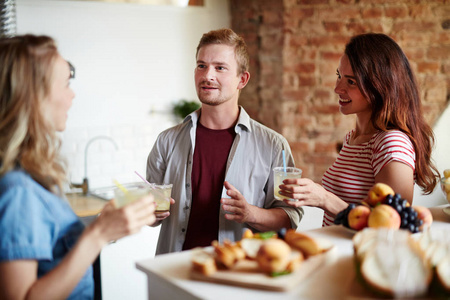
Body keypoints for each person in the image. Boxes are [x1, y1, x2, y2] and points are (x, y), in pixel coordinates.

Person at [0, 35, 156, 300]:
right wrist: (98, 234)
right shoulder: (18, 190)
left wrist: (104, 226)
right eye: (65, 84)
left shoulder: (30, 174)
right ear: (34, 96)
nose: (72, 94)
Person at [146, 28, 303, 255]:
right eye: (202, 65)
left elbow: (290, 218)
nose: (208, 75)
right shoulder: (167, 141)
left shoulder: (274, 146)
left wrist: (251, 214)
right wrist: (150, 213)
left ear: (242, 79)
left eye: (220, 67)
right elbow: (151, 215)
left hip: (239, 276)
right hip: (175, 274)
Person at [278, 33, 439, 226]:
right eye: (339, 76)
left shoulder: (391, 143)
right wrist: (312, 191)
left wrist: (324, 198)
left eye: (351, 82)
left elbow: (394, 224)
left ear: (380, 87)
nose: (338, 88)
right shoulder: (353, 138)